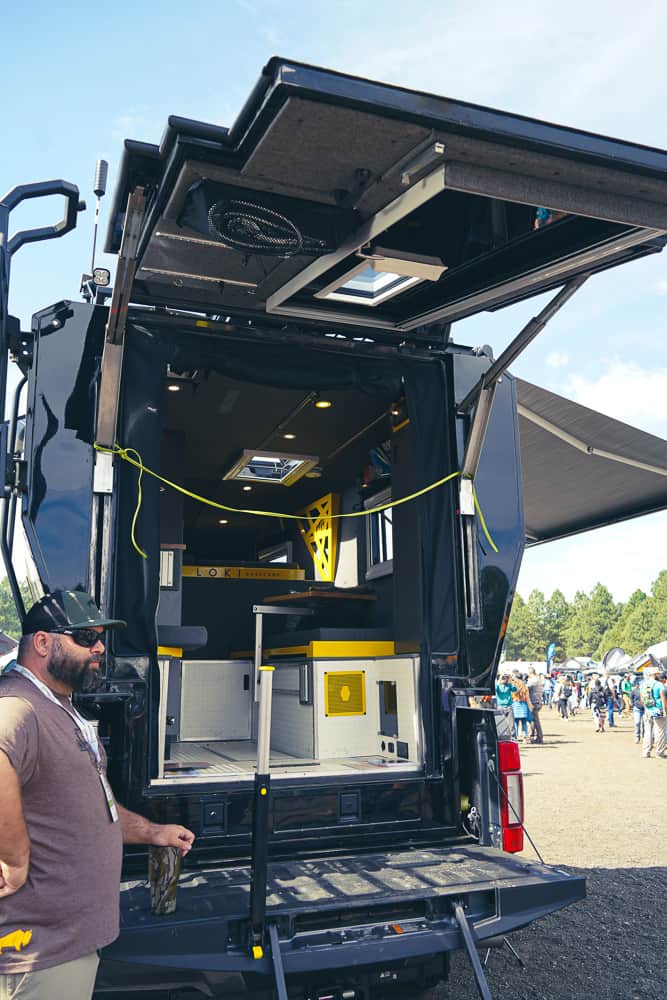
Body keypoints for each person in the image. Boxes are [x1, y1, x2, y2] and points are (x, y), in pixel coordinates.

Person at [0, 590, 196, 1000]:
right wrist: (13, 860)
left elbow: (85, 804)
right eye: (86, 638)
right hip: (39, 957)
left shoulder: (58, 703)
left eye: (100, 638)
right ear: (42, 642)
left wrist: (151, 831)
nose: (100, 647)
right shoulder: (20, 703)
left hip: (67, 949)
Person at [640, 667, 667, 759]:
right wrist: (664, 710)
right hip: (658, 710)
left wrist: (646, 708)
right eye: (658, 674)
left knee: (647, 732)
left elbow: (642, 699)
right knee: (660, 732)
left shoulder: (643, 684)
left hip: (648, 710)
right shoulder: (659, 685)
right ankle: (659, 753)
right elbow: (663, 698)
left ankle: (646, 752)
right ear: (655, 675)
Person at [510, 673, 531, 742]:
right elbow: (527, 697)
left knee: (515, 723)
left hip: (515, 704)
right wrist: (530, 706)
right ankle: (524, 738)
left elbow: (511, 696)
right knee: (524, 722)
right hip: (523, 705)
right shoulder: (525, 686)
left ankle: (515, 737)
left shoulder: (513, 685)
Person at [526, 668, 544, 743]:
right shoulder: (538, 680)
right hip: (538, 701)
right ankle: (533, 736)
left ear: (530, 672)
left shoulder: (532, 680)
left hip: (533, 702)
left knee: (535, 721)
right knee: (533, 720)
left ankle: (539, 737)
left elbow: (526, 689)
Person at [630, 675, 645, 744]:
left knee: (645, 724)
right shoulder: (634, 690)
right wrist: (633, 705)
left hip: (645, 709)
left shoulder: (646, 690)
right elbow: (631, 698)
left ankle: (645, 737)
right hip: (637, 709)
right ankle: (637, 736)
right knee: (637, 722)